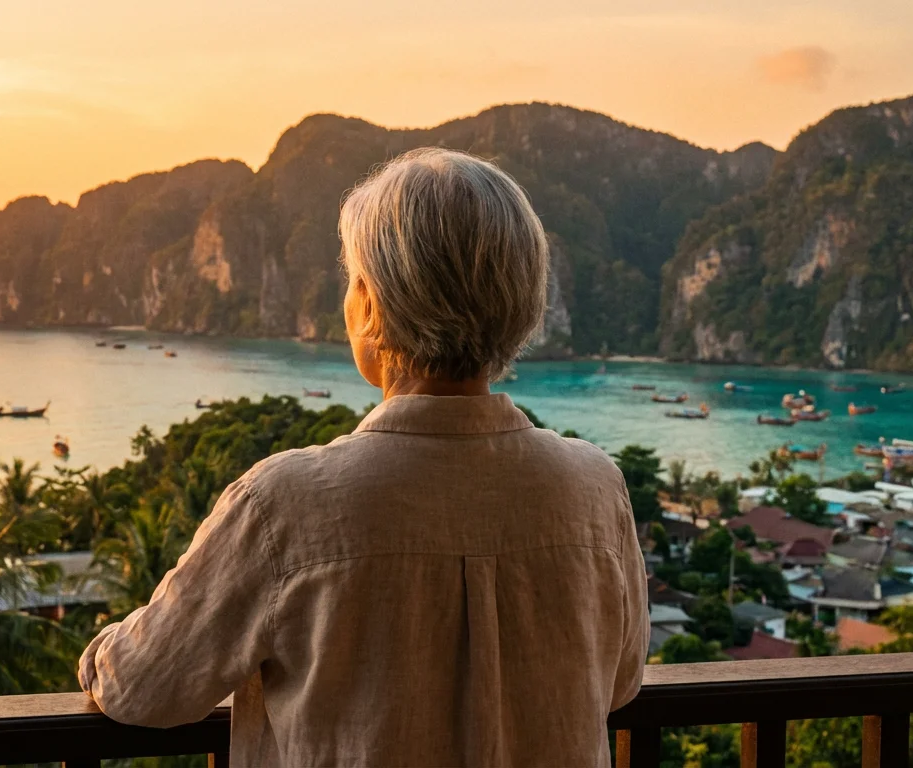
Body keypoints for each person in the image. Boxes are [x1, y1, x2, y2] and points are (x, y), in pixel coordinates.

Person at [78, 147, 648, 766]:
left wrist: (101, 650)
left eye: (352, 282)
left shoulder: (284, 505)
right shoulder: (594, 487)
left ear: (372, 304)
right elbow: (621, 683)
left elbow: (142, 687)